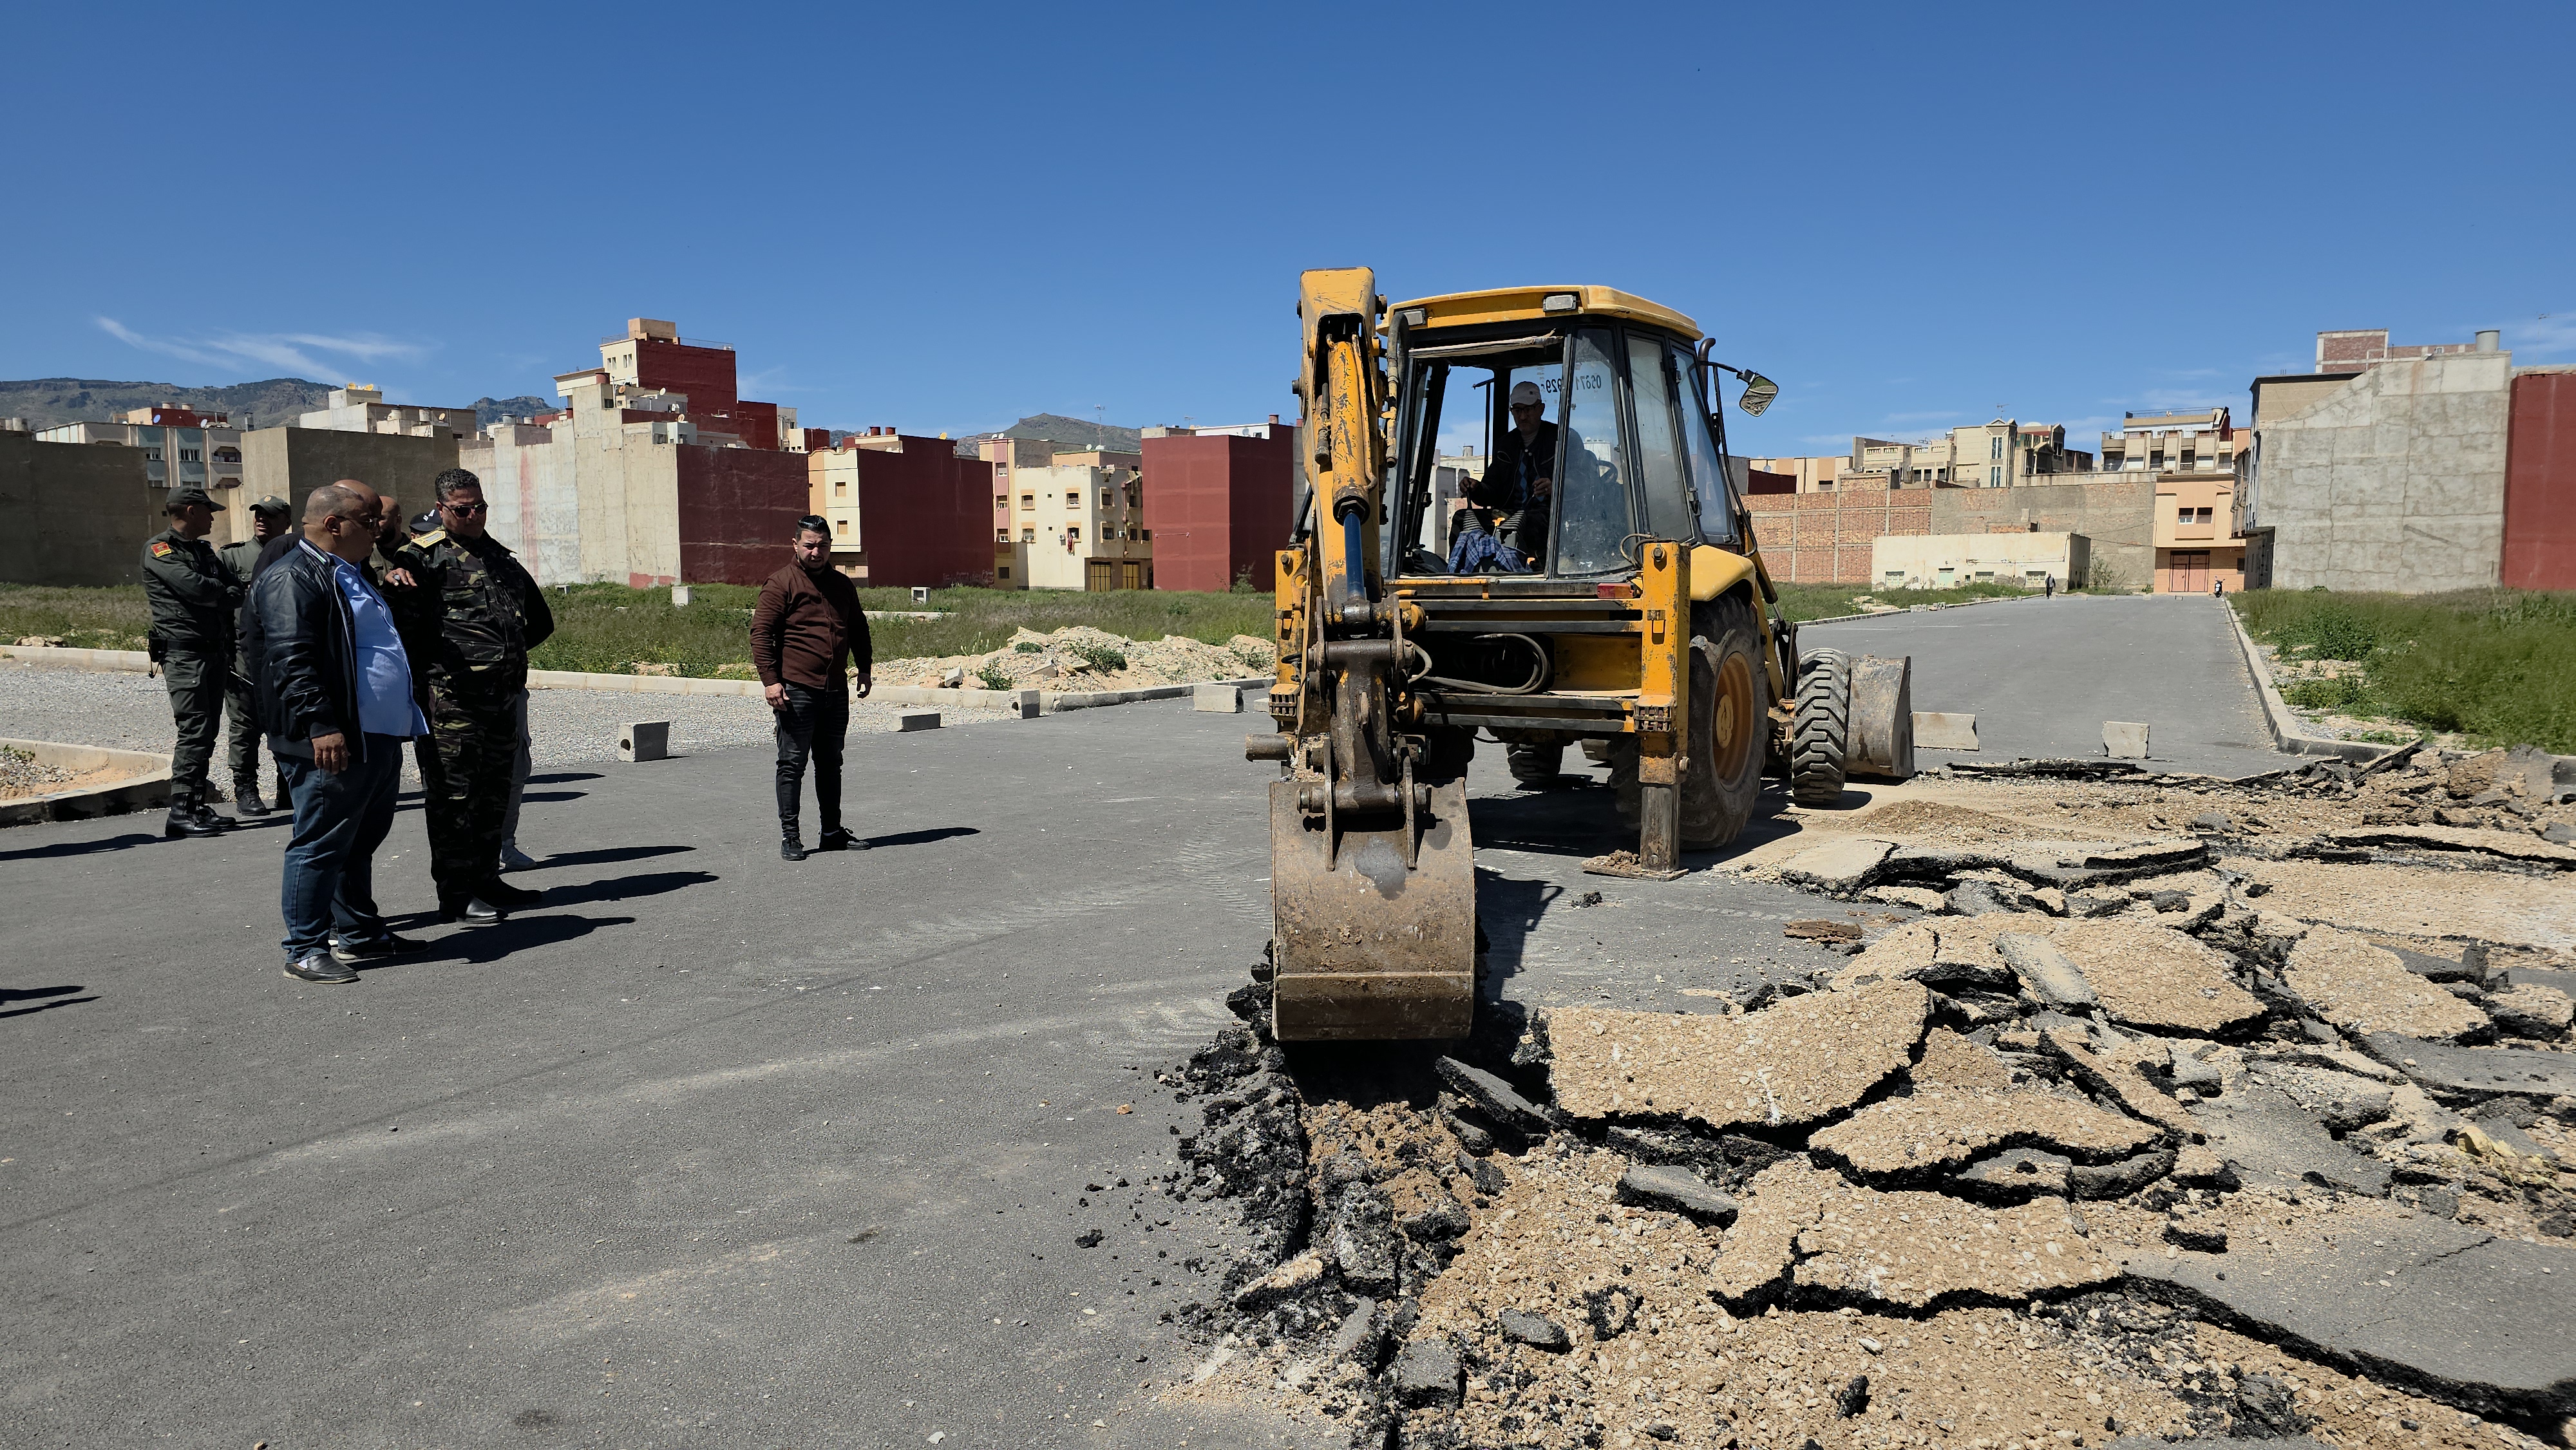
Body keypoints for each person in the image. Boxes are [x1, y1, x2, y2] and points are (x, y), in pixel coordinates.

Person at [246, 484, 430, 983]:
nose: (377, 531)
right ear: (334, 525)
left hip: (375, 733)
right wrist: (322, 725)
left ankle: (360, 933)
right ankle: (304, 947)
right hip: (332, 736)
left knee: (359, 840)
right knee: (322, 842)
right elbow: (291, 659)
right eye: (368, 523)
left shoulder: (347, 574)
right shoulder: (294, 577)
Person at [385, 468, 554, 923]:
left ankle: (486, 878)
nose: (475, 515)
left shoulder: (499, 557)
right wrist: (441, 675)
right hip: (451, 703)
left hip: (501, 699)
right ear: (442, 510)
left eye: (480, 507)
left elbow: (537, 620)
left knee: (494, 794)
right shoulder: (421, 559)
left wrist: (500, 658)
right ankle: (456, 894)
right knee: (453, 799)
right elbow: (405, 633)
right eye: (464, 509)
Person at [752, 516, 871, 861]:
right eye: (809, 544)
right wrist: (771, 681)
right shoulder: (780, 584)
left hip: (835, 690)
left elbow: (858, 628)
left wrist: (864, 667)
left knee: (831, 763)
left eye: (822, 545)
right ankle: (791, 836)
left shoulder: (842, 584)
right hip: (797, 689)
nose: (816, 551)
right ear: (795, 545)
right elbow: (761, 635)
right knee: (792, 763)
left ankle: (832, 832)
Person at [142, 487, 244, 838]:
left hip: (213, 651)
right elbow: (197, 590)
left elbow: (234, 591)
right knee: (195, 730)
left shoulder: (203, 551)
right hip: (185, 654)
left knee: (208, 730)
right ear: (190, 510)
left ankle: (197, 803)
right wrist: (220, 593)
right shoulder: (160, 550)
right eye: (208, 511)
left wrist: (219, 594)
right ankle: (181, 810)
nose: (213, 517)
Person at [218, 496, 294, 815]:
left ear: (286, 522)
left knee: (285, 721)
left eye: (270, 515)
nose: (261, 520)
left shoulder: (296, 553)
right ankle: (246, 788)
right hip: (242, 655)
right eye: (258, 515)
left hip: (282, 651)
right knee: (245, 726)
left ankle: (287, 787)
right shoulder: (233, 556)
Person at [1472, 381, 1560, 558]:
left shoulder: (1562, 438)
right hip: (1508, 514)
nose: (1522, 417)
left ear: (1541, 409)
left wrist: (1555, 488)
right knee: (1462, 519)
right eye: (1517, 410)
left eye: (1528, 410)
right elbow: (1492, 489)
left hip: (1548, 515)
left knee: (1525, 523)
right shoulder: (1505, 445)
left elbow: (1583, 484)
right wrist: (1475, 488)